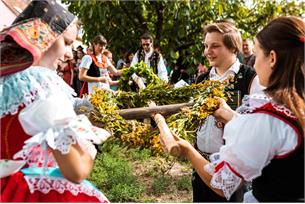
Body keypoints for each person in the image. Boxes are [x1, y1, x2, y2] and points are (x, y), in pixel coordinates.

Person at [168, 16, 304, 202]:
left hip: (235, 172)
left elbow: (223, 183)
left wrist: (186, 149)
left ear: (272, 58)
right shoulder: (294, 105)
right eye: (206, 46)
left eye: (257, 55)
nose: (254, 63)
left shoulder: (256, 90)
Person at [0, 0, 110, 202]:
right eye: (67, 43)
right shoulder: (42, 87)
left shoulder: (6, 82)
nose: (69, 54)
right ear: (43, 37)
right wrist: (89, 150)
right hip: (28, 194)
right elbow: (75, 171)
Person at [193, 21, 263, 202]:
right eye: (206, 46)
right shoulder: (202, 79)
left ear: (233, 48)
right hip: (201, 165)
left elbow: (259, 130)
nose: (208, 51)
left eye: (215, 46)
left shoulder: (250, 78)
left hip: (234, 173)